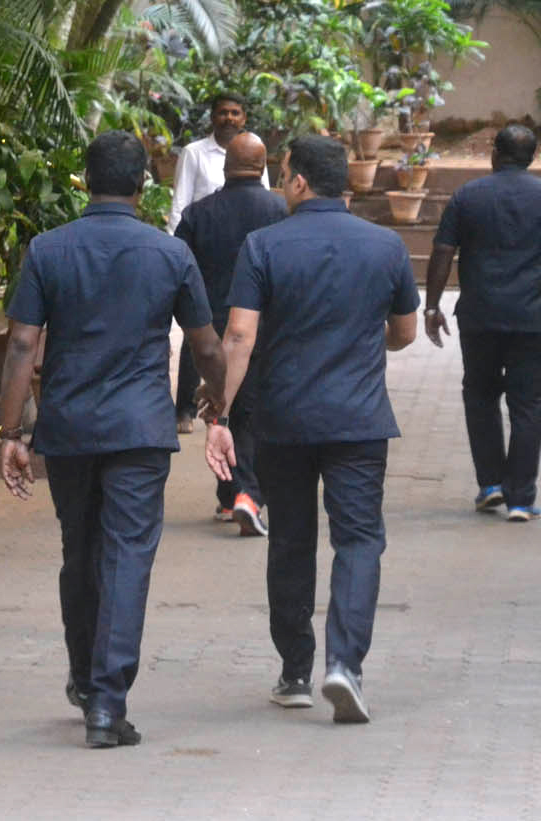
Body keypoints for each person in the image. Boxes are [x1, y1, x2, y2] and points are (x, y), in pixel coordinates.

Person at [0, 129, 227, 750]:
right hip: (140, 431)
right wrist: (219, 405)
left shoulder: (48, 249)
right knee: (126, 556)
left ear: (86, 179)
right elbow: (207, 346)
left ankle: (83, 679)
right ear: (142, 185)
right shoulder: (170, 254)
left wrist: (12, 431)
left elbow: (21, 345)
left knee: (80, 552)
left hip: (69, 427)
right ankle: (106, 702)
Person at [203, 135, 419, 725]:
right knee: (359, 540)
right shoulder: (385, 245)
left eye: (283, 176)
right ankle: (344, 664)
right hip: (359, 422)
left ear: (298, 181)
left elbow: (239, 335)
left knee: (292, 542)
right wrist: (364, 340)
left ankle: (295, 672)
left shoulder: (264, 245)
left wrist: (219, 414)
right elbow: (404, 332)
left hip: (284, 421)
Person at [421, 123, 541, 522]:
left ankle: (491, 484)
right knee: (529, 405)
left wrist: (431, 307)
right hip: (536, 321)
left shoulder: (468, 196)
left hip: (480, 318)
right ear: (533, 157)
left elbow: (443, 251)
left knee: (480, 397)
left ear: (494, 154)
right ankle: (521, 499)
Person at [174, 132, 287, 536]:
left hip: (212, 327)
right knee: (251, 411)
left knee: (221, 407)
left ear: (225, 167)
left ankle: (230, 495)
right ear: (263, 166)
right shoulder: (283, 211)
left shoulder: (197, 215)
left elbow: (179, 271)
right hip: (267, 328)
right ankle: (247, 495)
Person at [168, 92, 268, 437]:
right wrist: (181, 260)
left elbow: (261, 194)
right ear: (213, 117)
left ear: (244, 117)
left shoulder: (254, 148)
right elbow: (180, 205)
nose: (229, 118)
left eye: (235, 113)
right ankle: (184, 407)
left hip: (249, 252)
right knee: (199, 335)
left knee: (246, 333)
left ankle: (237, 404)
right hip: (206, 250)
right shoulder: (195, 153)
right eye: (223, 112)